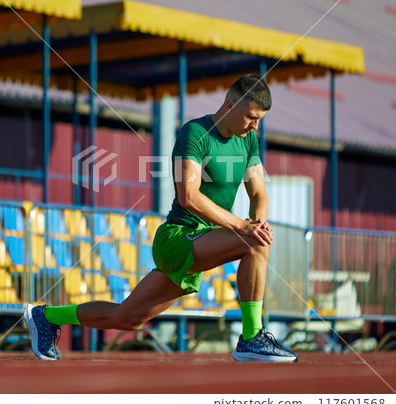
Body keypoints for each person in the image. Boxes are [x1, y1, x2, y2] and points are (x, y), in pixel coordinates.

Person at [23, 74, 298, 362]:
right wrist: (243, 226)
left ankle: (45, 316)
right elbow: (188, 196)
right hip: (177, 239)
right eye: (251, 117)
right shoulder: (194, 133)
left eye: (260, 119)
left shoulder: (248, 139)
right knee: (253, 242)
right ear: (229, 106)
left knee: (126, 317)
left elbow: (259, 195)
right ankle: (252, 337)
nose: (256, 125)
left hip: (204, 241)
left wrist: (259, 222)